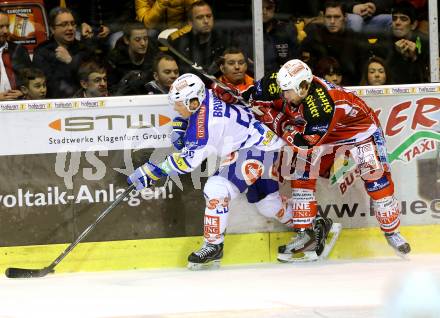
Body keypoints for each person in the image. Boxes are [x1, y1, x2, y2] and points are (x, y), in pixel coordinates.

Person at [127, 73, 334, 269]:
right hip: (262, 143)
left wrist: (153, 171)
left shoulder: (204, 127)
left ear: (193, 101)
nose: (176, 108)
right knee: (268, 205)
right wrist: (182, 123)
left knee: (216, 188)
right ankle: (315, 224)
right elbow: (199, 118)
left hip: (255, 149)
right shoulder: (207, 94)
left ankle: (213, 245)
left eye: (179, 105)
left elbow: (187, 162)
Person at [213, 59, 411, 259]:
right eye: (281, 89)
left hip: (359, 133)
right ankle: (305, 234)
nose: (283, 94)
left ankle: (392, 232)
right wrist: (233, 94)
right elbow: (251, 93)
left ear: (304, 86)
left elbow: (303, 142)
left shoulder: (322, 106)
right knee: (301, 176)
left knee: (378, 183)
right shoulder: (280, 82)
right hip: (317, 134)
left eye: (287, 91)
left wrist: (274, 119)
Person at [299, 1, 363, 85]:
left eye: (337, 17)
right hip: (319, 88)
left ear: (345, 17)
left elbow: (359, 70)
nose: (332, 21)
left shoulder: (354, 39)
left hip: (349, 88)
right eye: (328, 17)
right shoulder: (313, 37)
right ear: (323, 18)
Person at [33, 7, 92, 98]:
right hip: (53, 103)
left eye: (72, 24)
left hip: (82, 102)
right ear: (52, 29)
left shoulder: (83, 49)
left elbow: (90, 80)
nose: (70, 28)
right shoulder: (42, 51)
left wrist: (70, 62)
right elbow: (45, 84)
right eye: (64, 25)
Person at [170, 1, 226, 75]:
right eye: (200, 17)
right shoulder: (178, 45)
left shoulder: (224, 43)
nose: (206, 21)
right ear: (190, 22)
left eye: (209, 16)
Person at [107, 21, 159, 95]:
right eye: (137, 40)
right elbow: (112, 90)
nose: (143, 43)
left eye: (145, 39)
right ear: (126, 40)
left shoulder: (155, 56)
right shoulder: (114, 60)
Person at [0, 10, 32, 101]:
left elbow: (32, 78)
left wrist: (24, 92)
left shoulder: (19, 50)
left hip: (19, 105)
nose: (6, 31)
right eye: (1, 27)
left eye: (7, 26)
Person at [262, 0, 299, 73]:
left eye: (269, 8)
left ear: (275, 8)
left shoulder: (287, 29)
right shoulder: (246, 31)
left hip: (283, 77)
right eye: (260, 8)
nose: (264, 12)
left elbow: (294, 61)